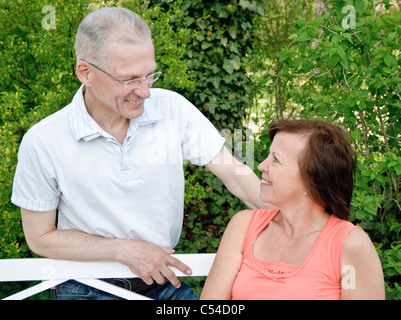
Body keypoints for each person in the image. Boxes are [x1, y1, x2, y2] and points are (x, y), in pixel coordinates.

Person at [11, 7, 267, 300]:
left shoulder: (173, 109)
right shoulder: (43, 141)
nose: (145, 91)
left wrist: (304, 220)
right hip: (85, 289)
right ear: (86, 72)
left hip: (163, 283)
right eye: (129, 79)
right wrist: (123, 250)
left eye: (149, 75)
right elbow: (40, 239)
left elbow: (235, 175)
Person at [200, 119, 385, 300]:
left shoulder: (350, 245)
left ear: (313, 180)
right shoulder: (243, 226)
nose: (261, 166)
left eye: (276, 160)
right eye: (268, 156)